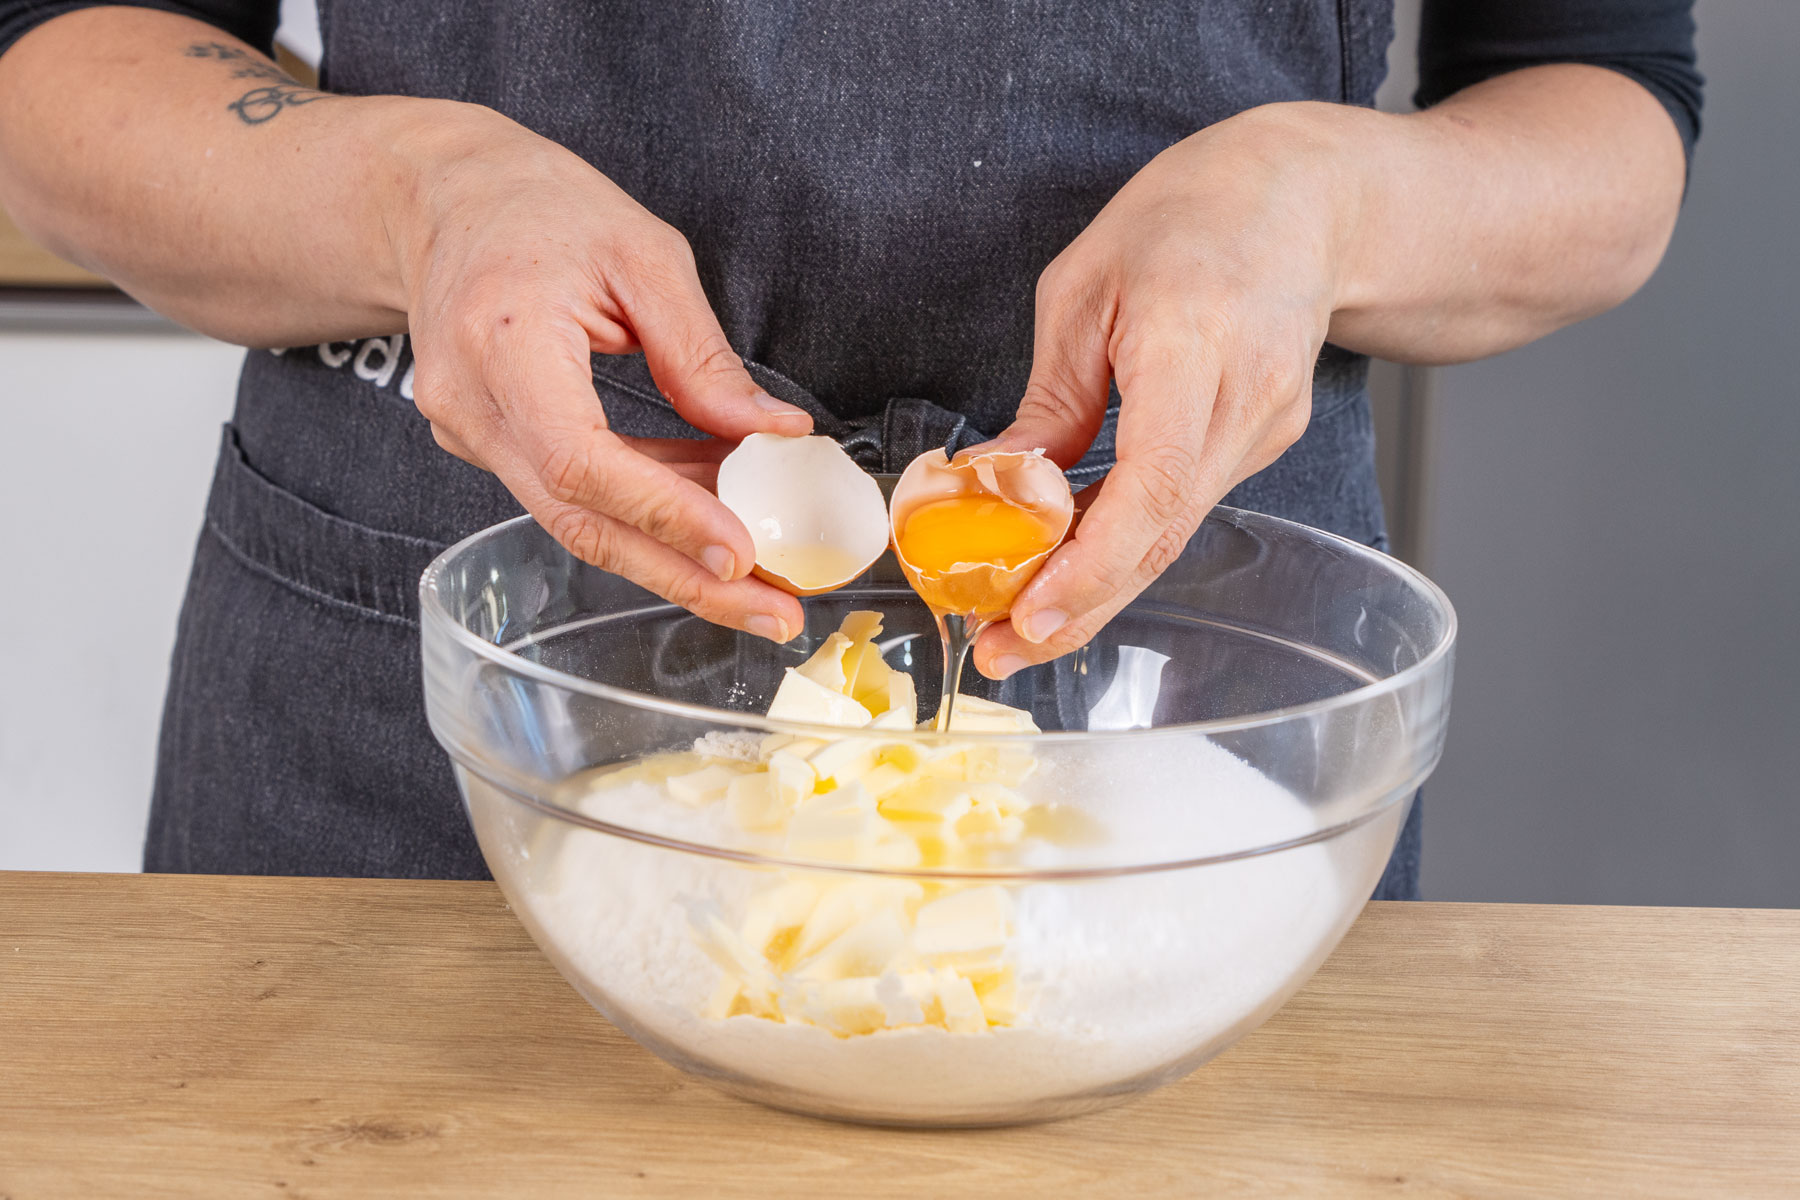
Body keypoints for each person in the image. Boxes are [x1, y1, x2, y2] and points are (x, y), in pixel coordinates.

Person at [0, 1, 1701, 892]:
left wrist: (1323, 203)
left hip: (1181, 692)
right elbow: (55, 60)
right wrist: (417, 197)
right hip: (453, 670)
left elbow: (1599, 105)